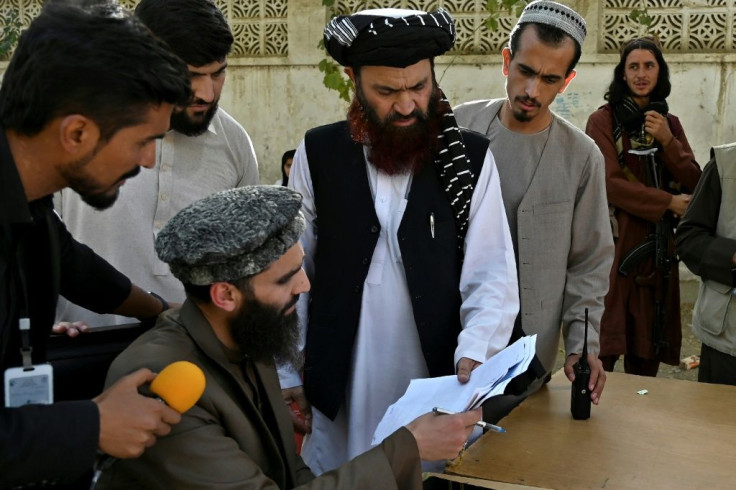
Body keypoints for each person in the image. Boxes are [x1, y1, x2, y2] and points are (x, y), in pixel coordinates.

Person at [97, 185, 481, 489]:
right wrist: (408, 449)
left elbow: (291, 474)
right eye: (286, 279)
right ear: (225, 295)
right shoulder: (165, 383)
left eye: (299, 267)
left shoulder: (250, 336)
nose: (305, 284)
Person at [283, 7, 519, 474]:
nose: (407, 105)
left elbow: (491, 274)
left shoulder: (468, 160)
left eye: (419, 87)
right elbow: (292, 272)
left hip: (437, 387)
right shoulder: (318, 153)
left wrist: (475, 351)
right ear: (353, 80)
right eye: (387, 91)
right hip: (343, 388)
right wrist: (288, 370)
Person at [0, 1, 193, 487]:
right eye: (143, 141)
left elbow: (71, 263)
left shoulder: (30, 201)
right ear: (77, 133)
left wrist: (157, 311)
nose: (149, 161)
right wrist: (93, 426)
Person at [55, 0, 259, 330]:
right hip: (85, 347)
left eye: (218, 72)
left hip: (194, 357)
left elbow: (245, 268)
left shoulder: (234, 144)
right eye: (191, 75)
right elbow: (36, 250)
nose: (206, 93)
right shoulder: (74, 128)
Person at [454, 0, 612, 409]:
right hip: (451, 343)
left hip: (530, 360)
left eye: (549, 79)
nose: (532, 91)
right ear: (507, 61)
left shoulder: (582, 156)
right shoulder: (459, 130)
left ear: (567, 81)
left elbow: (589, 263)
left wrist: (581, 344)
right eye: (525, 71)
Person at [586, 36, 701, 376]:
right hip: (616, 246)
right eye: (633, 66)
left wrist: (667, 141)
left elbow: (695, 180)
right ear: (622, 74)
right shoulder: (603, 121)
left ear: (659, 72)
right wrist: (667, 202)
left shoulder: (670, 124)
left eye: (648, 65)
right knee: (604, 344)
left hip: (657, 253)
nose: (641, 73)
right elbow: (608, 183)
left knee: (648, 348)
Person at [676, 144, 736, 385]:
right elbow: (688, 239)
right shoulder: (726, 163)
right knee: (719, 421)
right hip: (728, 343)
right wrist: (732, 255)